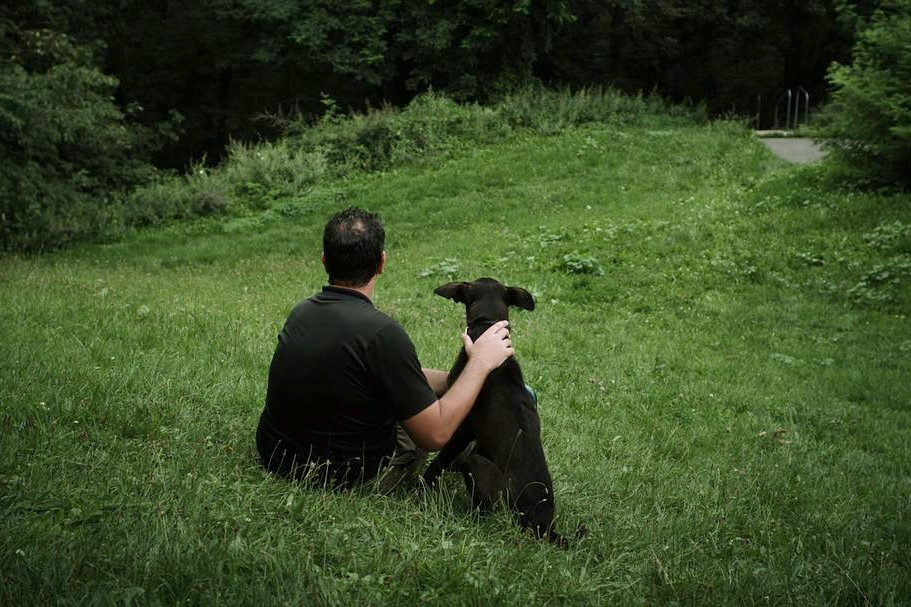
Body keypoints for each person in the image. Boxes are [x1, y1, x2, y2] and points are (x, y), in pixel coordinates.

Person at [256, 207, 514, 490]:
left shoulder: (302, 312)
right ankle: (476, 459)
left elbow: (371, 373)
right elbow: (434, 434)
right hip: (343, 477)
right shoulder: (382, 334)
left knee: (422, 394)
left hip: (276, 457)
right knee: (428, 423)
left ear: (324, 260)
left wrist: (457, 382)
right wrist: (480, 364)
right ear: (382, 262)